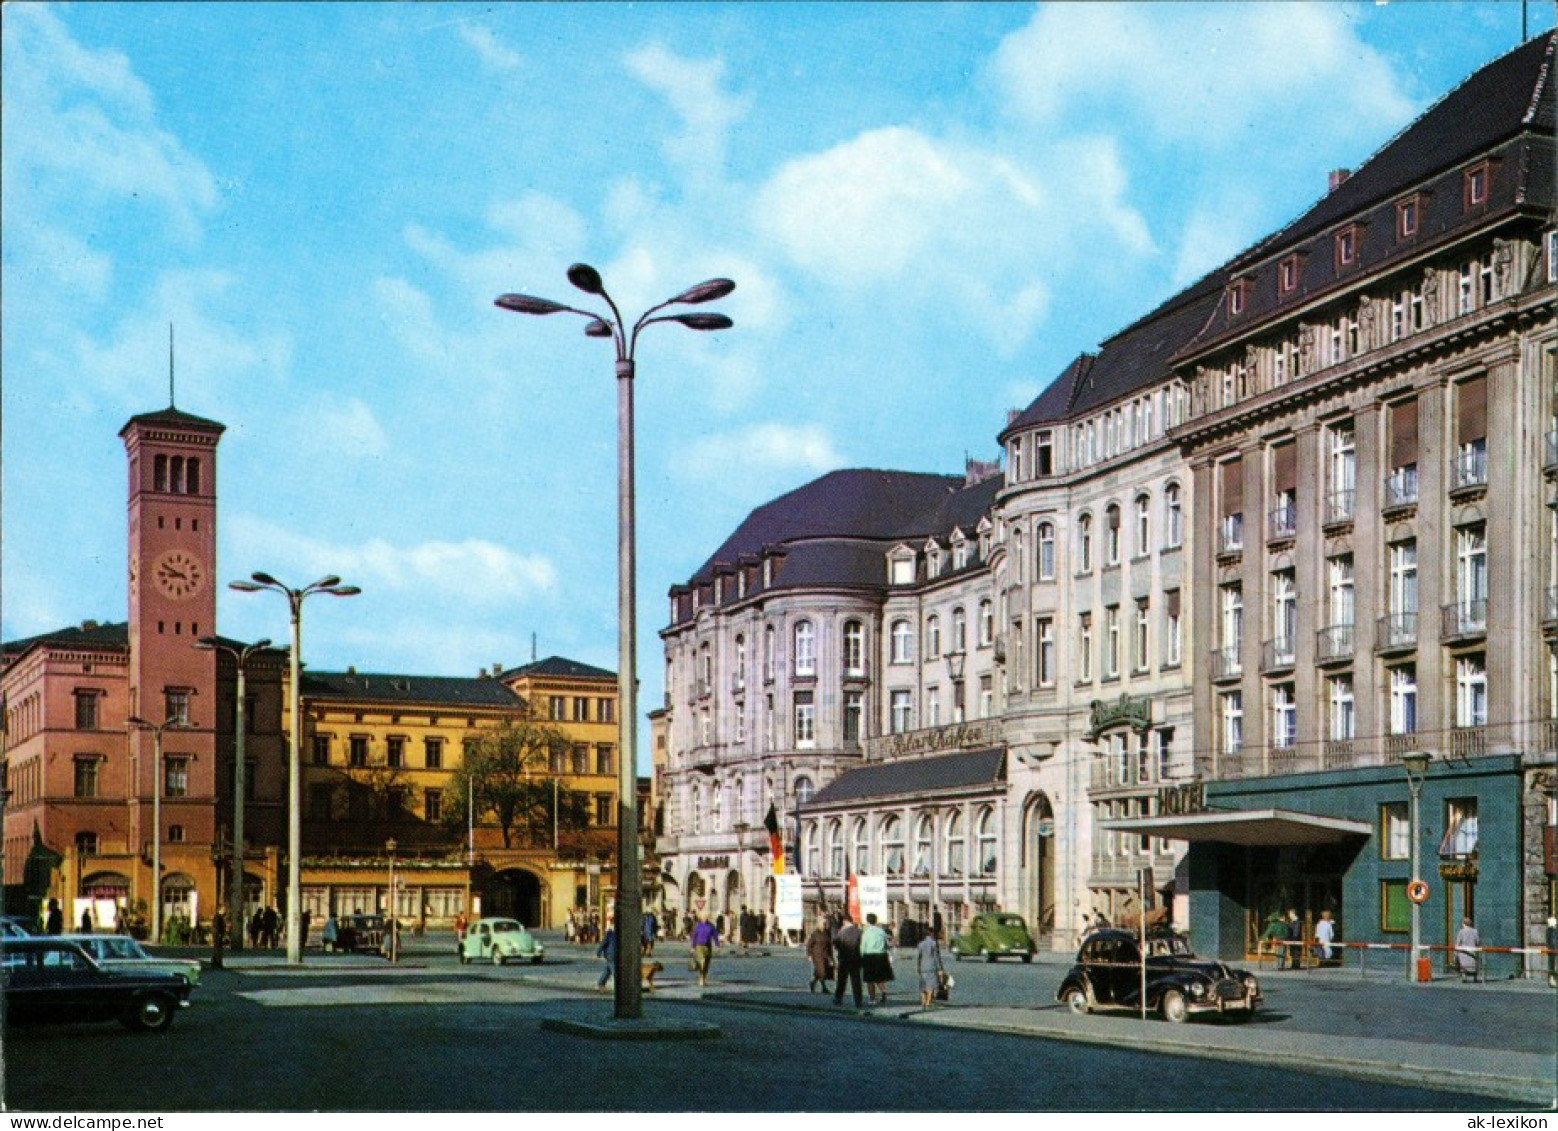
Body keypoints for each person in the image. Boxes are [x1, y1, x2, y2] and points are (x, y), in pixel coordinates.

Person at [832, 914, 864, 1010]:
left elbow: (836, 944)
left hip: (844, 959)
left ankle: (838, 998)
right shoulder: (859, 931)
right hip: (856, 959)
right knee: (856, 981)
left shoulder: (842, 932)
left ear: (845, 922)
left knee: (841, 980)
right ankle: (858, 1001)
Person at [860, 912, 893, 1005]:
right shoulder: (881, 931)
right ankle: (884, 991)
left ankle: (872, 999)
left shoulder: (866, 932)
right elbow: (887, 943)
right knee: (879, 977)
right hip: (881, 956)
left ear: (867, 921)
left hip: (869, 956)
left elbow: (863, 946)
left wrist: (861, 957)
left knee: (869, 980)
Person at [916, 924, 945, 1008]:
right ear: (932, 934)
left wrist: (918, 967)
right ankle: (928, 1002)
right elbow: (936, 956)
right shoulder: (934, 943)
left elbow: (918, 957)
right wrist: (940, 968)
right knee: (930, 985)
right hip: (931, 966)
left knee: (922, 985)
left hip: (922, 966)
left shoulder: (920, 944)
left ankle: (923, 1001)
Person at [805, 914, 834, 993]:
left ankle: (813, 982)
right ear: (819, 923)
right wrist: (809, 955)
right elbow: (809, 945)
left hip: (825, 955)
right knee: (822, 971)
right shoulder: (815, 933)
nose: (825, 925)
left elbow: (829, 945)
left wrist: (831, 957)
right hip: (817, 955)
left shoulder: (827, 933)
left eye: (825, 923)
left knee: (819, 971)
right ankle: (824, 988)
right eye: (823, 923)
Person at [689, 912, 719, 987]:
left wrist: (717, 943)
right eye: (704, 917)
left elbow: (715, 935)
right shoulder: (698, 926)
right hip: (699, 946)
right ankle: (701, 978)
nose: (705, 918)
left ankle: (704, 977)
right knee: (702, 962)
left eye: (706, 917)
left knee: (707, 963)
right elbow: (694, 937)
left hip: (708, 946)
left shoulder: (711, 926)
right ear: (701, 918)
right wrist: (693, 947)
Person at [1455, 917, 1481, 982]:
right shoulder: (1475, 931)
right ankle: (1475, 978)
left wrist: (1456, 951)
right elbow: (1477, 942)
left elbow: (1458, 942)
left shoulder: (1461, 932)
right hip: (1472, 950)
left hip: (1463, 951)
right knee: (1473, 965)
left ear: (1463, 924)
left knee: (1464, 964)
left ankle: (1464, 978)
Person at [596, 916, 617, 991]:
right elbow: (603, 943)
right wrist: (598, 953)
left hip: (614, 955)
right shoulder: (609, 933)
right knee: (615, 971)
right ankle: (620, 987)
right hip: (610, 955)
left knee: (608, 971)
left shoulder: (617, 934)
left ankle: (600, 983)